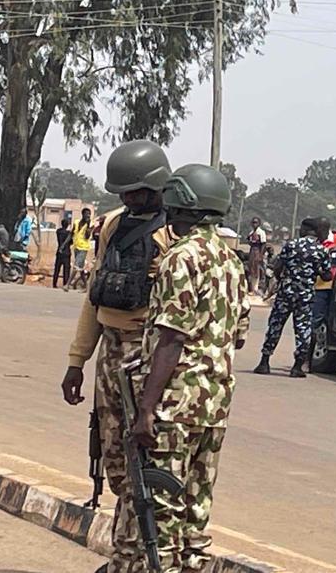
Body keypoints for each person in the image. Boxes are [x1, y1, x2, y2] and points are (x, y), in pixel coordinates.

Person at [59, 141, 176, 573]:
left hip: (146, 353)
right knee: (114, 463)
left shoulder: (173, 235)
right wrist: (77, 361)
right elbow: (93, 298)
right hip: (110, 349)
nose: (128, 200)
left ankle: (132, 560)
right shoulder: (111, 227)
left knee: (142, 463)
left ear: (157, 186)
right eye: (123, 192)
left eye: (136, 192)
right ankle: (125, 554)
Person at [128, 163, 249, 572]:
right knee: (196, 512)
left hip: (175, 406)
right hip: (214, 405)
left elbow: (171, 338)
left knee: (160, 514)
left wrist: (146, 410)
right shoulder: (232, 263)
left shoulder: (180, 259)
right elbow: (239, 334)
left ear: (184, 203)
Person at [253, 217, 331, 378]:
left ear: (305, 230)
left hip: (286, 292)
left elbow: (277, 266)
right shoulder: (321, 250)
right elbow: (327, 276)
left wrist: (283, 279)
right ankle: (297, 367)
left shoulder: (291, 245)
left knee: (275, 325)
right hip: (305, 296)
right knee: (303, 329)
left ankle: (264, 362)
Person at [65, 207, 93, 292]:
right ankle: (87, 287)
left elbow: (87, 236)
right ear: (83, 214)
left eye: (89, 214)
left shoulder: (91, 224)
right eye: (87, 213)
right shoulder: (76, 222)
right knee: (80, 269)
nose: (88, 215)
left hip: (84, 248)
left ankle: (67, 284)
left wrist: (88, 225)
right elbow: (71, 234)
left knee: (76, 266)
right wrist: (64, 245)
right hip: (76, 247)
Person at [247, 217, 267, 295]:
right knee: (251, 269)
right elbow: (249, 240)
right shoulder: (251, 233)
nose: (254, 224)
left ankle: (256, 288)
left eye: (256, 222)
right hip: (252, 250)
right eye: (253, 222)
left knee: (257, 270)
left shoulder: (261, 232)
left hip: (258, 251)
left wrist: (260, 255)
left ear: (259, 223)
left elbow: (263, 244)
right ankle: (252, 288)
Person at [53, 217, 72, 289]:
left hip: (59, 252)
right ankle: (65, 284)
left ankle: (54, 283)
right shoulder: (68, 233)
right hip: (66, 252)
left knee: (57, 268)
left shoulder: (58, 231)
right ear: (67, 225)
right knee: (66, 269)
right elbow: (71, 242)